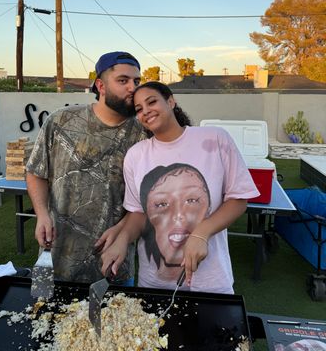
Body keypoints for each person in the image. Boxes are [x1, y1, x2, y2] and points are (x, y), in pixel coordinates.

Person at [101, 81, 260, 293]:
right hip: (154, 284)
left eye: (152, 102)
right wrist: (122, 240)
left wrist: (201, 233)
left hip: (211, 283)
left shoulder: (215, 139)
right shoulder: (136, 155)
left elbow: (239, 199)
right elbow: (138, 214)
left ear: (170, 101)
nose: (146, 111)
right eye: (139, 109)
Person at [26, 51, 146, 284]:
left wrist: (122, 230)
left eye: (136, 81)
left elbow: (146, 201)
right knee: (45, 318)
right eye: (123, 80)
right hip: (57, 258)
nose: (133, 87)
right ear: (100, 85)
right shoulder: (61, 121)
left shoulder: (144, 134)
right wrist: (41, 214)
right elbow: (35, 172)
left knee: (119, 319)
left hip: (113, 266)